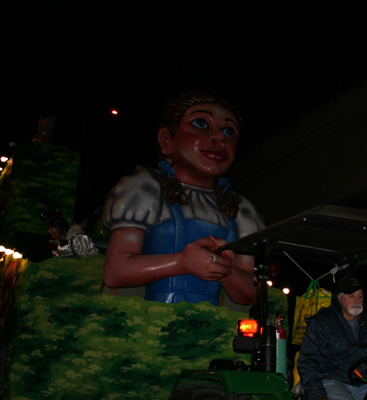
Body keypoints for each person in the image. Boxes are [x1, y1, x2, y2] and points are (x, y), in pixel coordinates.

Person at [103, 92, 264, 306]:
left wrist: (226, 270)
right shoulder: (144, 190)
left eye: (229, 131)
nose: (220, 138)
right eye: (201, 124)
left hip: (211, 326)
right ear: (166, 140)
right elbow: (116, 271)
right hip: (151, 324)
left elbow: (251, 295)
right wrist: (183, 262)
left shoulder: (241, 210)